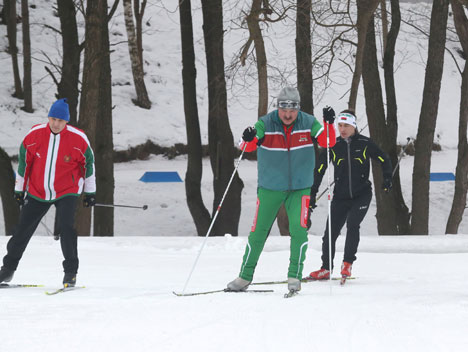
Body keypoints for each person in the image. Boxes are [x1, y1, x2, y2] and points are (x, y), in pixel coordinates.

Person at [226, 87, 336, 294]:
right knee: (258, 233)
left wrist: (329, 124)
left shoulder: (308, 122)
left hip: (300, 188)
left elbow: (328, 142)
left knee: (298, 231)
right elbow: (245, 146)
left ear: (298, 109)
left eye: (292, 110)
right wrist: (248, 137)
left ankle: (294, 276)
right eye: (283, 110)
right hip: (270, 188)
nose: (287, 115)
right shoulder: (266, 123)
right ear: (278, 108)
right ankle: (244, 276)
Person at [0, 98, 96, 287]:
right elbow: (23, 164)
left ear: (66, 121)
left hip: (67, 190)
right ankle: (8, 269)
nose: (56, 124)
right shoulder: (34, 135)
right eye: (53, 119)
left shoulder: (78, 139)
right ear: (48, 118)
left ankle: (70, 272)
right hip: (38, 191)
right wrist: (19, 189)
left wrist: (90, 192)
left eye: (60, 120)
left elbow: (89, 165)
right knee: (22, 231)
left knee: (67, 228)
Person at [306, 109, 392, 280]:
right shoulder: (333, 146)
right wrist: (312, 194)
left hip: (362, 194)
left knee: (353, 224)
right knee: (330, 232)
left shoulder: (365, 143)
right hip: (340, 196)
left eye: (346, 125)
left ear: (354, 126)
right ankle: (326, 268)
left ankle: (347, 264)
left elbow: (384, 158)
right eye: (339, 125)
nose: (342, 129)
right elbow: (319, 171)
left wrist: (387, 178)